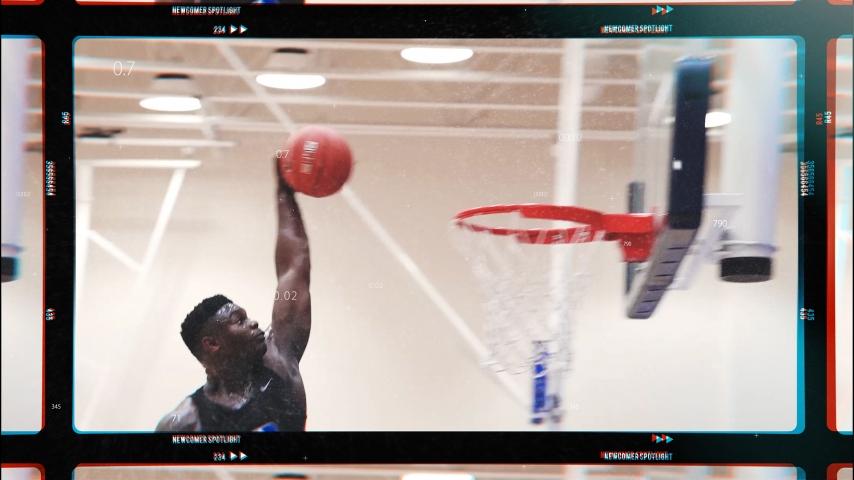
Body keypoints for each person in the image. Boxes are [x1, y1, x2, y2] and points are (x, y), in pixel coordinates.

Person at [156, 164, 311, 432]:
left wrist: (285, 192)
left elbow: (294, 266)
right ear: (213, 344)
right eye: (239, 321)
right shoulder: (183, 423)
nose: (254, 323)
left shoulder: (281, 355)